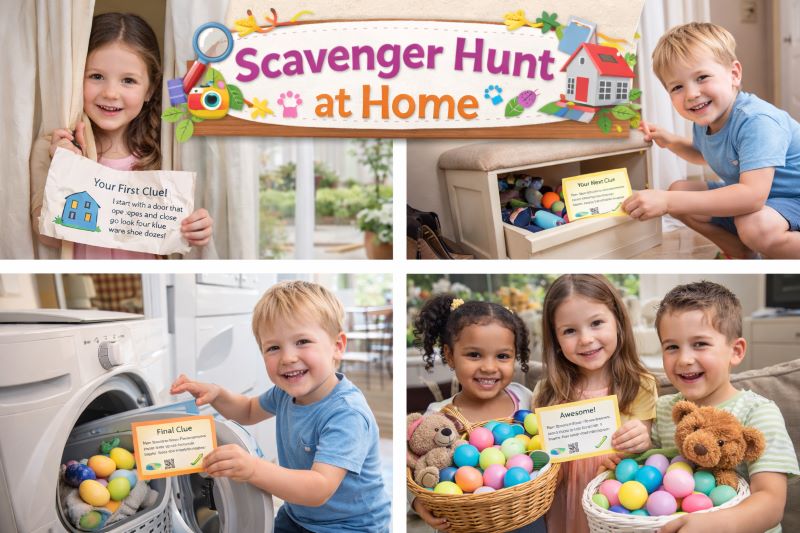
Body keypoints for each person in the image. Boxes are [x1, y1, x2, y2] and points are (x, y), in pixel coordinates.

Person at [170, 280, 390, 533]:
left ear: (337, 347)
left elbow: (319, 488)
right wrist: (217, 394)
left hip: (352, 527)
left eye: (303, 341)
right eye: (273, 347)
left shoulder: (346, 413)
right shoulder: (284, 394)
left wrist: (253, 468)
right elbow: (248, 410)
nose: (288, 358)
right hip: (298, 515)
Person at [39, 13, 213, 258]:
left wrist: (196, 229)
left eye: (128, 80)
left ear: (150, 90)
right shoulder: (56, 148)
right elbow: (48, 238)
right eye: (96, 76)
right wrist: (65, 167)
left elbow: (177, 231)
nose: (111, 93)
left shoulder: (165, 153)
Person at [622, 22, 800, 259]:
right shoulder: (706, 120)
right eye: (677, 87)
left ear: (734, 74)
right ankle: (741, 252)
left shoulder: (757, 121)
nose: (691, 94)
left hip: (793, 198)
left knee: (754, 226)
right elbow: (703, 154)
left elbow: (752, 196)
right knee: (680, 191)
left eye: (702, 77)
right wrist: (670, 141)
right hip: (767, 200)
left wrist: (667, 201)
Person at [652, 281, 798, 533]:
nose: (684, 359)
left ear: (736, 351)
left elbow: (770, 502)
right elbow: (648, 471)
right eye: (672, 347)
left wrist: (713, 525)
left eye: (700, 344)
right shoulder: (663, 409)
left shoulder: (758, 412)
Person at [533, 275, 657, 533]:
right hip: (563, 502)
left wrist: (641, 440)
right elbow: (537, 460)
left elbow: (642, 448)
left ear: (618, 322)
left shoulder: (640, 385)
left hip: (613, 502)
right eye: (570, 331)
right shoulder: (546, 391)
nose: (586, 339)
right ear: (556, 340)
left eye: (596, 323)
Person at [410, 294, 542, 532]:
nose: (489, 367)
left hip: (528, 519)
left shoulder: (524, 397)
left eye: (502, 356)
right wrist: (417, 502)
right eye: (474, 355)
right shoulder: (439, 417)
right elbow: (412, 466)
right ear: (450, 356)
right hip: (465, 524)